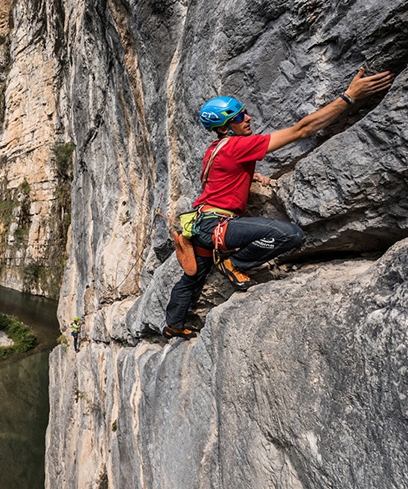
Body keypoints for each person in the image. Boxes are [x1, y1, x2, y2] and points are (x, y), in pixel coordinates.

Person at [163, 67, 394, 340]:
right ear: (225, 127)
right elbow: (302, 130)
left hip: (201, 223)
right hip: (216, 225)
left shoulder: (215, 149)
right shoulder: (238, 146)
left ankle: (173, 325)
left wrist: (250, 177)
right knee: (289, 234)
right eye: (239, 117)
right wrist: (349, 97)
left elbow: (219, 178)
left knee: (192, 278)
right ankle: (234, 263)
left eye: (244, 112)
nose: (247, 118)